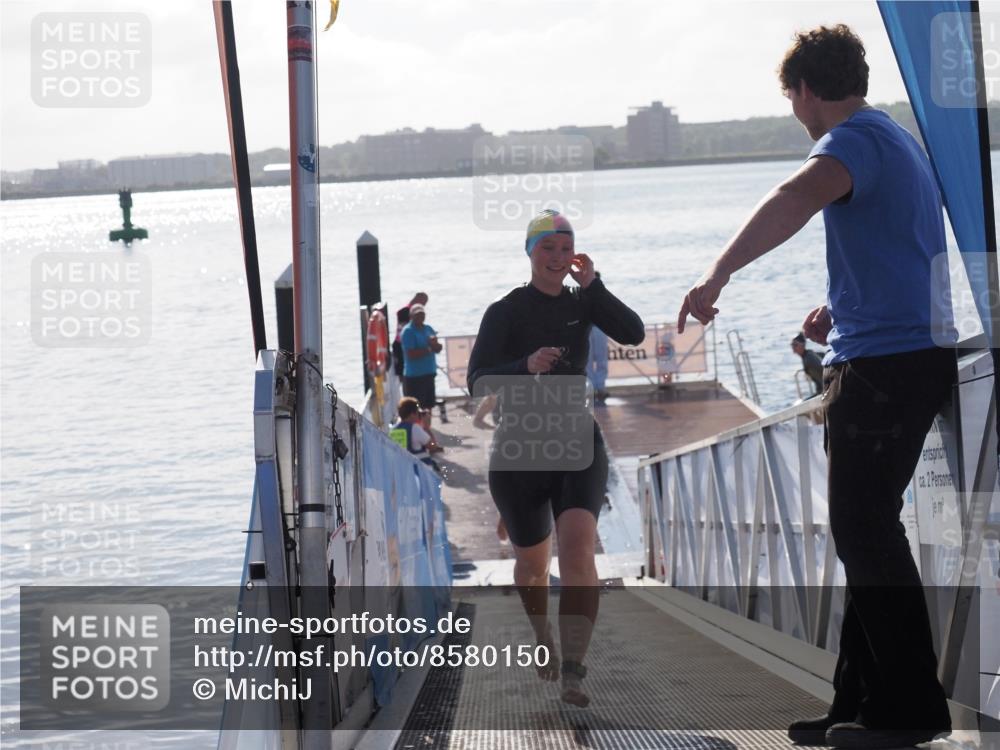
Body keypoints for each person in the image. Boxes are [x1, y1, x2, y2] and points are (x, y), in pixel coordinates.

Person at [677, 25, 955, 750]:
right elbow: (901, 240)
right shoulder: (895, 141)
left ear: (805, 90)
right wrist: (845, 307)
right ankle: (859, 702)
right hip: (901, 350)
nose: (797, 110)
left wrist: (718, 274)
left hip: (887, 365)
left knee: (865, 531)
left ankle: (910, 708)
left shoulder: (851, 142)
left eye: (793, 96)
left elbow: (794, 198)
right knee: (865, 531)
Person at [467, 208, 644, 707]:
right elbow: (476, 379)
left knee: (579, 549)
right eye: (548, 248)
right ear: (529, 252)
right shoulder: (504, 311)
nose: (558, 257)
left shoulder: (582, 302)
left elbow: (632, 333)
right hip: (519, 449)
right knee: (531, 566)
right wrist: (523, 366)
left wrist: (595, 286)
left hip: (576, 443)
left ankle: (572, 668)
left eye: (566, 250)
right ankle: (541, 635)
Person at [400, 303, 442, 410]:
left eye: (422, 314)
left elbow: (437, 348)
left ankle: (426, 426)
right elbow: (411, 354)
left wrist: (435, 345)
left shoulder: (428, 328)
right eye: (417, 315)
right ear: (411, 316)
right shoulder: (408, 331)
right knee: (416, 408)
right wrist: (429, 348)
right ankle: (418, 426)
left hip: (429, 373)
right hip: (415, 377)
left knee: (429, 406)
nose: (420, 317)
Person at [389, 397, 443, 472]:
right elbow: (433, 447)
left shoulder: (393, 430)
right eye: (417, 412)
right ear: (412, 414)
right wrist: (427, 428)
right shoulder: (414, 428)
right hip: (418, 472)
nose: (419, 415)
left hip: (402, 472)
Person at [792, 332, 824, 396]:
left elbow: (823, 372)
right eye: (792, 345)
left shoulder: (809, 358)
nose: (793, 347)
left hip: (824, 390)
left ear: (803, 345)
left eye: (795, 345)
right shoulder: (808, 355)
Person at [587, 324, 610, 403]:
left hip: (600, 325)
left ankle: (601, 387)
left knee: (602, 357)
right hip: (583, 324)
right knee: (587, 359)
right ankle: (590, 388)